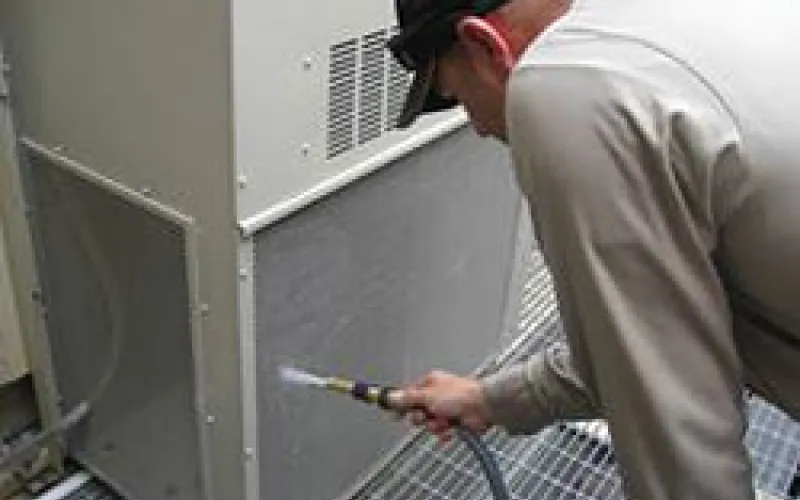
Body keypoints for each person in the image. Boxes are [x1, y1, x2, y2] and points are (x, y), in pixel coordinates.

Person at [386, 0, 800, 498]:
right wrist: (489, 400)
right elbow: (649, 346)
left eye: (458, 96)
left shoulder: (564, 86)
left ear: (483, 45)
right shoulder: (659, 28)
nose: (476, 126)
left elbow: (675, 435)